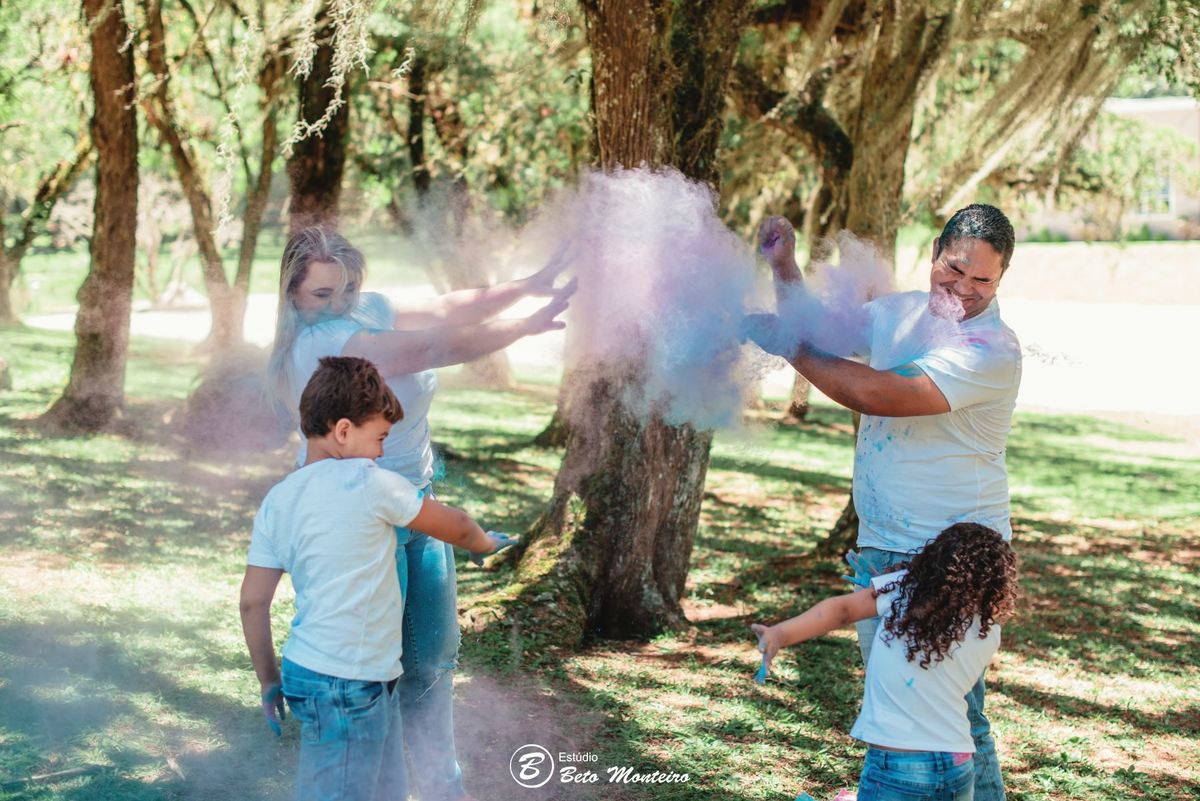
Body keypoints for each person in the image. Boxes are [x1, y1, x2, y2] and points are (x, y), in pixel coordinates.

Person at [266, 226, 575, 801]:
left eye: (346, 290)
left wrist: (527, 286)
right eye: (320, 296)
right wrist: (524, 327)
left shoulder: (368, 310)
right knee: (374, 672)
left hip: (415, 502)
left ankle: (441, 791)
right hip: (362, 518)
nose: (336, 305)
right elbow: (426, 347)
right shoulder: (319, 344)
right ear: (292, 296)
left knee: (432, 662)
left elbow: (445, 307)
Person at [743, 204, 1022, 800]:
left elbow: (880, 393)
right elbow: (817, 332)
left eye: (983, 280)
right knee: (924, 706)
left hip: (949, 553)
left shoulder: (991, 348)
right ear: (933, 256)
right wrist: (785, 266)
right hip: (885, 542)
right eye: (954, 269)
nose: (965, 289)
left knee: (944, 712)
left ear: (1001, 282)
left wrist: (790, 348)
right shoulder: (898, 313)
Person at [240, 356, 506, 801]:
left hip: (310, 671)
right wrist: (483, 543)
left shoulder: (278, 499)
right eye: (379, 438)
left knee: (384, 788)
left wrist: (269, 679)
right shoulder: (372, 483)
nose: (382, 452)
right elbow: (455, 525)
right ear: (343, 431)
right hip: (352, 682)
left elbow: (252, 602)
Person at [752, 523, 1019, 801]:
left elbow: (842, 611)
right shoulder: (990, 633)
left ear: (934, 559)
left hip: (898, 763)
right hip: (959, 762)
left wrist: (779, 634)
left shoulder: (904, 590)